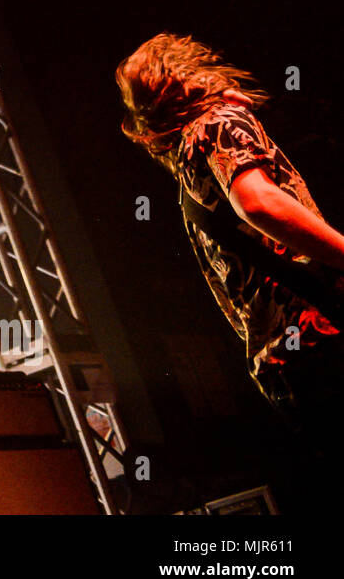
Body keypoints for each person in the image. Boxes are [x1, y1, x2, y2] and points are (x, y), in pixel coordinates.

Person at [116, 33, 344, 451]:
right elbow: (260, 204)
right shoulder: (218, 123)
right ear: (189, 75)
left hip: (289, 363)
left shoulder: (190, 169)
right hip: (322, 335)